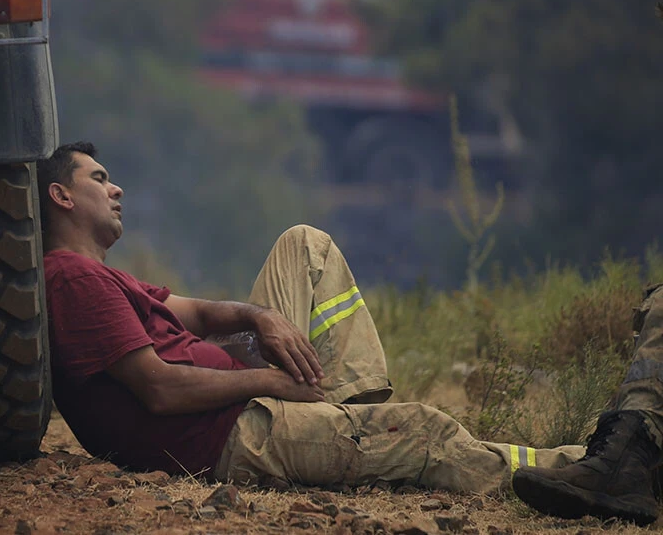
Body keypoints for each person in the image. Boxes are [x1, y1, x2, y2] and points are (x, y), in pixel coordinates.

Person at [36, 141, 663, 525]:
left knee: (303, 244)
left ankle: (345, 403)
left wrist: (260, 317)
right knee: (427, 432)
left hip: (251, 398)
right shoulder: (73, 281)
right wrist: (271, 382)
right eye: (99, 179)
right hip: (233, 432)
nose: (116, 188)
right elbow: (159, 391)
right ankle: (581, 469)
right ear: (61, 197)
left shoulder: (102, 277)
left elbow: (195, 311)